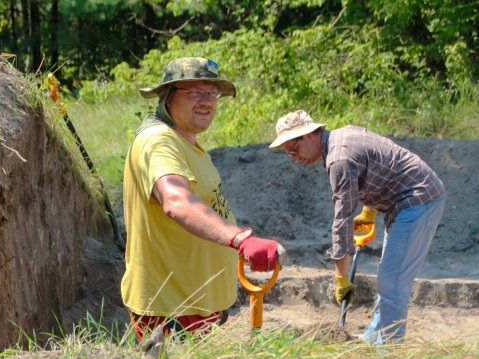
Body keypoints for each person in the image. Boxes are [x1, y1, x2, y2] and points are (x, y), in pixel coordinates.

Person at [122, 57, 287, 342]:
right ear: (169, 97)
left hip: (196, 304)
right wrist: (240, 240)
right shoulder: (159, 142)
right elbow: (177, 201)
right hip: (172, 310)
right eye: (195, 92)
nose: (206, 101)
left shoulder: (186, 142)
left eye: (212, 93)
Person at [269, 110, 445, 344]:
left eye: (293, 150)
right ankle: (375, 337)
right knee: (388, 277)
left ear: (309, 135)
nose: (294, 158)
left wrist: (341, 278)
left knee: (393, 282)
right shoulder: (344, 135)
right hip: (408, 198)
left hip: (418, 199)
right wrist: (369, 212)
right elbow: (379, 168)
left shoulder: (338, 159)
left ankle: (389, 354)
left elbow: (342, 222)